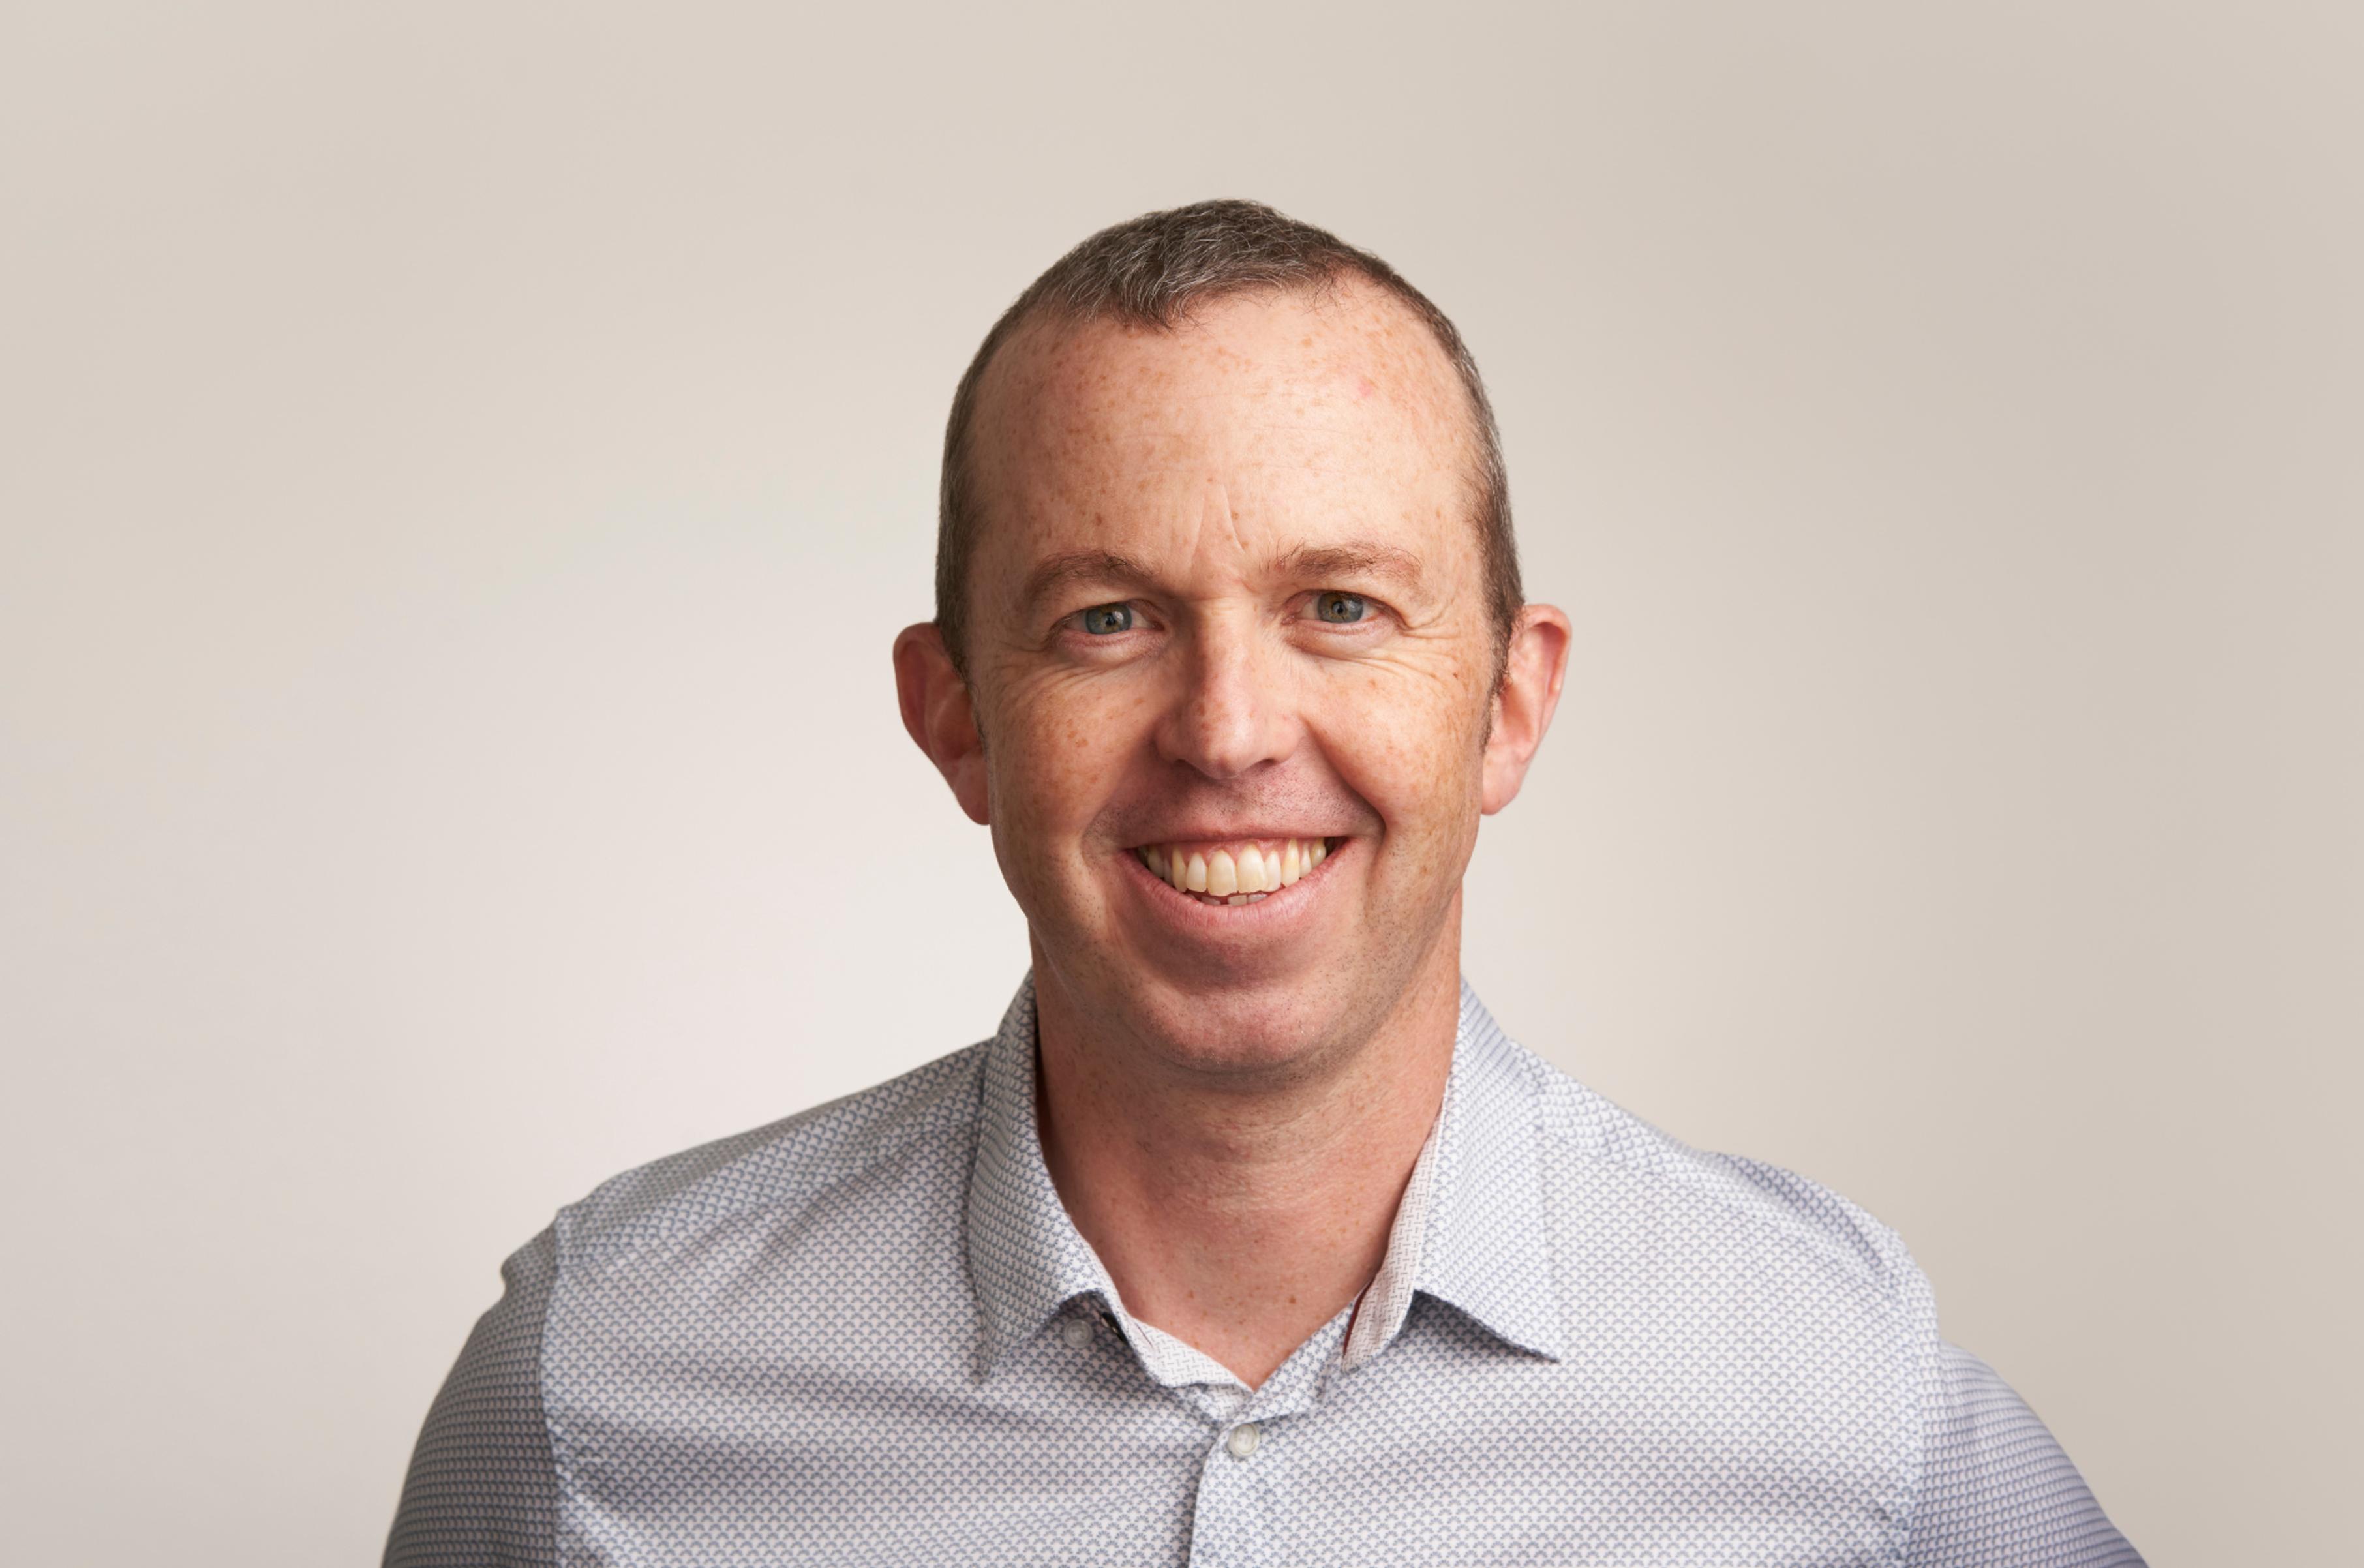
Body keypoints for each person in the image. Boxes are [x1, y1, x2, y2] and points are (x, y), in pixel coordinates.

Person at [384, 200, 2142, 1567]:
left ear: (1510, 703)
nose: (1229, 731)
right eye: (1109, 620)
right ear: (958, 719)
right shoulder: (599, 1375)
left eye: (1342, 607)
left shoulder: (1827, 1385)